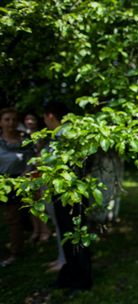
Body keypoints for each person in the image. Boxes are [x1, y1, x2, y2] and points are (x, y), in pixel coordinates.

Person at [43, 102, 92, 290]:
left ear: (50, 116)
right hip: (63, 193)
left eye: (45, 118)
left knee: (76, 238)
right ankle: (71, 275)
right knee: (67, 235)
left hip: (71, 194)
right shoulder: (60, 135)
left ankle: (82, 280)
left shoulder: (65, 135)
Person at [0, 107, 33, 267]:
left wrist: (24, 177)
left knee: (14, 219)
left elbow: (31, 162)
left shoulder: (24, 141)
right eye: (7, 119)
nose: (10, 123)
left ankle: (15, 251)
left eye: (13, 119)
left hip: (17, 182)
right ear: (1, 122)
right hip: (1, 181)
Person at [23, 111, 52, 244]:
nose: (29, 121)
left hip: (39, 172)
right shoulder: (22, 135)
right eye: (27, 119)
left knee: (41, 202)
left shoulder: (43, 135)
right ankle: (36, 230)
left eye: (32, 119)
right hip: (25, 173)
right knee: (31, 203)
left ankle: (45, 230)